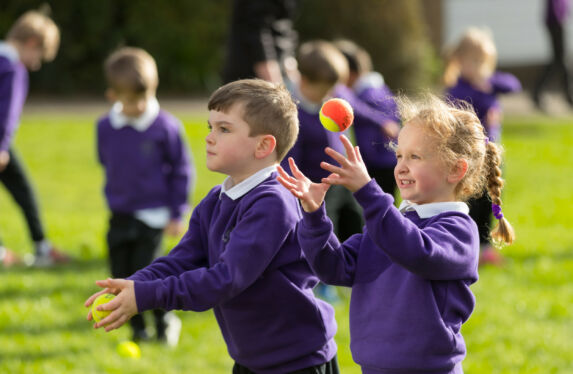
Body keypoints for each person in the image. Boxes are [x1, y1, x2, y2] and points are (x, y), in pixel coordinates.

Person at [85, 79, 339, 374]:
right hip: (252, 358)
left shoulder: (273, 203)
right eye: (210, 127)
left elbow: (226, 279)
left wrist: (147, 296)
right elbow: (182, 259)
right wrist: (136, 285)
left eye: (224, 129)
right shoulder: (217, 200)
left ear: (263, 145)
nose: (209, 137)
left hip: (298, 360)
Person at [277, 93, 515, 373]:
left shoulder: (458, 231)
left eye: (415, 156)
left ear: (455, 170)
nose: (401, 166)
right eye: (399, 155)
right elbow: (333, 268)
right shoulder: (389, 226)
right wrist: (315, 215)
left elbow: (416, 252)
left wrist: (369, 194)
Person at [96, 47, 194, 345]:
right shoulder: (105, 127)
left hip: (153, 216)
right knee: (120, 274)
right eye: (130, 100)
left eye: (143, 98)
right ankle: (137, 330)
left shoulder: (166, 127)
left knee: (146, 275)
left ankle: (164, 323)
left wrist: (177, 212)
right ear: (112, 95)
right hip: (120, 212)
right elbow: (105, 160)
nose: (138, 106)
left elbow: (182, 169)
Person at [443, 27, 521, 266]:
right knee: (473, 201)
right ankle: (470, 245)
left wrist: (487, 81)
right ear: (459, 61)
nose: (480, 67)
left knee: (492, 198)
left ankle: (485, 247)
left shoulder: (489, 83)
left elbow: (513, 84)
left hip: (492, 152)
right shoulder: (458, 89)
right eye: (474, 61)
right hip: (472, 154)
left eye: (484, 62)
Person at [0, 10, 70, 267]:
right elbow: (5, 112)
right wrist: (2, 147)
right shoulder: (13, 68)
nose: (36, 64)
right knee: (24, 191)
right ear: (31, 42)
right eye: (39, 56)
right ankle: (40, 247)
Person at [333, 39, 401, 196]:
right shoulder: (381, 88)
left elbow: (354, 108)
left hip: (376, 162)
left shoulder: (365, 95)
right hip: (390, 159)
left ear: (349, 73)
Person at [221, 0, 299, 84]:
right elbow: (255, 29)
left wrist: (289, 58)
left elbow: (285, 23)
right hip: (252, 71)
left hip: (281, 63)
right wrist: (274, 82)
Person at [532, 0, 573, 110]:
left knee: (559, 60)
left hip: (558, 20)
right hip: (556, 21)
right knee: (561, 59)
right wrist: (558, 18)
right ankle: (568, 95)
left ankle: (538, 92)